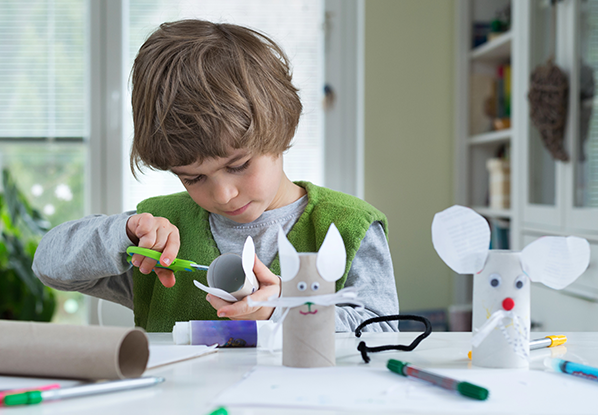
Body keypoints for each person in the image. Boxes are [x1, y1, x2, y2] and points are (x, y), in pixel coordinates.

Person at [33, 19, 399, 333]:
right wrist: (123, 233)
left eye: (238, 166)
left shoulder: (347, 227)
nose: (222, 194)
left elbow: (381, 330)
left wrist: (283, 311)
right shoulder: (160, 238)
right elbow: (49, 265)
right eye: (193, 178)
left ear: (282, 131)